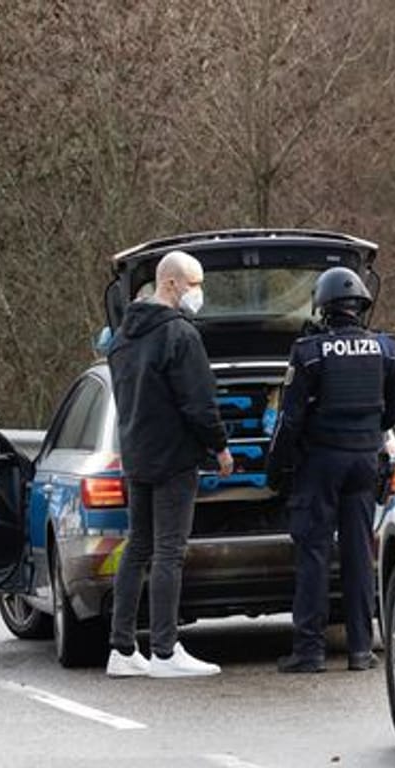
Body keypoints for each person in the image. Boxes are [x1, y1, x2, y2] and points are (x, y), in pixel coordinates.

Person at [267, 266, 395, 673]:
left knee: (313, 554)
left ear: (323, 308)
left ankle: (309, 652)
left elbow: (289, 422)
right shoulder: (388, 349)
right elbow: (394, 412)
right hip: (364, 463)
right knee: (360, 554)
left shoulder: (308, 352)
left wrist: (275, 470)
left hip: (320, 464)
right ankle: (362, 650)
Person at [104, 249, 234, 679]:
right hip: (175, 457)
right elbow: (198, 402)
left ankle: (122, 649)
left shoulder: (123, 336)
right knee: (169, 552)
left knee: (137, 547)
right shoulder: (180, 335)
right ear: (172, 283)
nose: (199, 293)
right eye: (194, 284)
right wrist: (219, 447)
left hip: (137, 454)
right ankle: (164, 650)